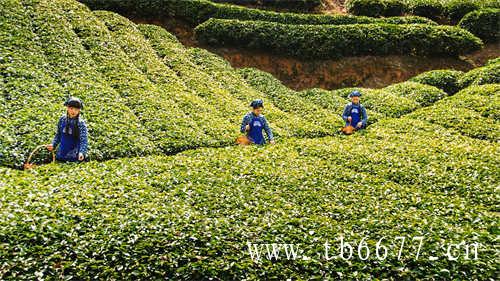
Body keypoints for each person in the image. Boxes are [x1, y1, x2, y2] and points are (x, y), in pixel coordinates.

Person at [46, 97, 89, 162]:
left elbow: (84, 140)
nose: (73, 111)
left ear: (79, 110)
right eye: (71, 108)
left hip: (74, 156)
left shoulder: (81, 123)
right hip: (61, 154)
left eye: (76, 109)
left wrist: (82, 152)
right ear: (67, 108)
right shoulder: (62, 120)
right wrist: (53, 144)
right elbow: (58, 135)